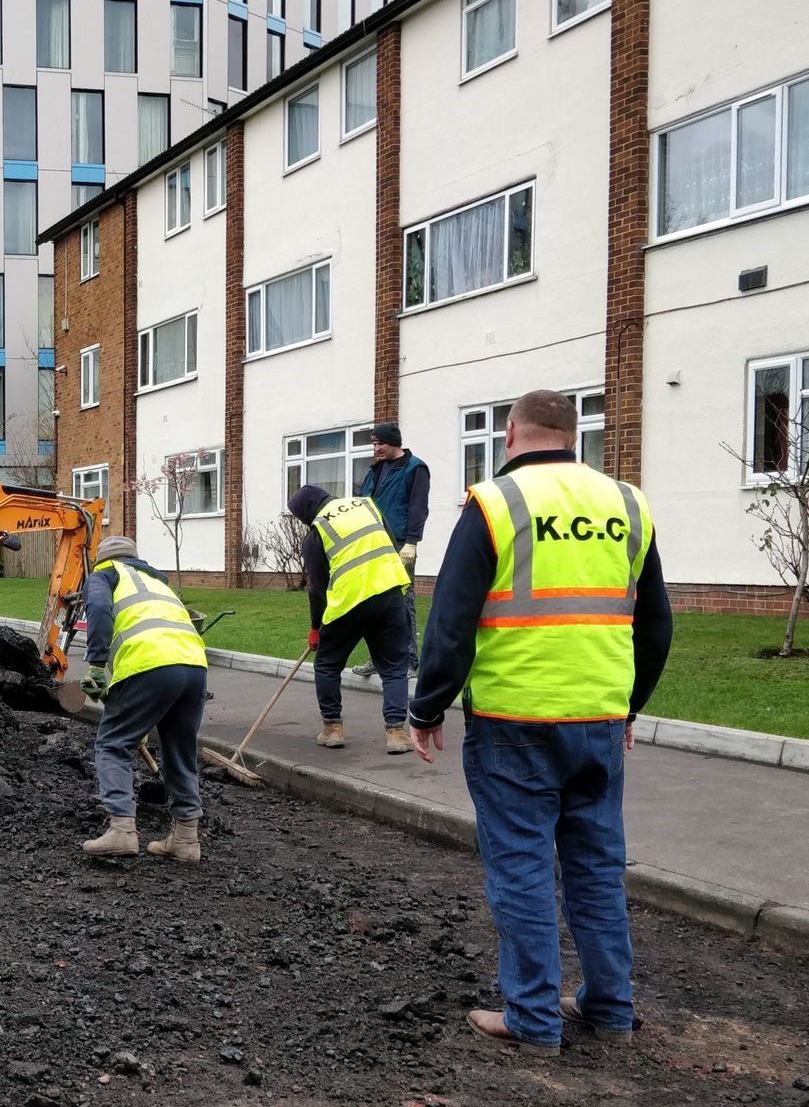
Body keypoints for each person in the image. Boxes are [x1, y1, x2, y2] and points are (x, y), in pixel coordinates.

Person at [408, 389, 673, 1056]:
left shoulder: (496, 503)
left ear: (510, 435)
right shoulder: (627, 504)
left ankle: (531, 1017)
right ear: (573, 434)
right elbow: (657, 624)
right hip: (599, 722)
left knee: (523, 868)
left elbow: (452, 620)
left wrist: (426, 706)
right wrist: (630, 706)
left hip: (515, 720)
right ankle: (610, 1008)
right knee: (595, 867)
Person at [77, 535, 209, 862]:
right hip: (194, 665)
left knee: (112, 743)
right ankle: (186, 839)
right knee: (179, 749)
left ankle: (122, 830)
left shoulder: (104, 575)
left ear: (102, 560)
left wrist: (95, 666)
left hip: (148, 663)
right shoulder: (156, 581)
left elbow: (98, 609)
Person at [288, 484, 414, 755]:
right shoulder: (367, 506)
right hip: (389, 595)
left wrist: (315, 627)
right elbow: (391, 546)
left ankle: (333, 730)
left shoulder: (317, 532)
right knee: (393, 667)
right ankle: (396, 733)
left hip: (350, 603)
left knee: (327, 665)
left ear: (306, 514)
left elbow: (318, 589)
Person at [355, 423, 430, 677]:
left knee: (402, 602)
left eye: (380, 444)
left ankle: (409, 661)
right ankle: (378, 658)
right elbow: (362, 500)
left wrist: (412, 542)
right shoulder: (376, 469)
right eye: (374, 444)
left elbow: (418, 508)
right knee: (373, 603)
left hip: (399, 545)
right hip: (373, 542)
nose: (376, 449)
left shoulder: (414, 468)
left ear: (394, 443)